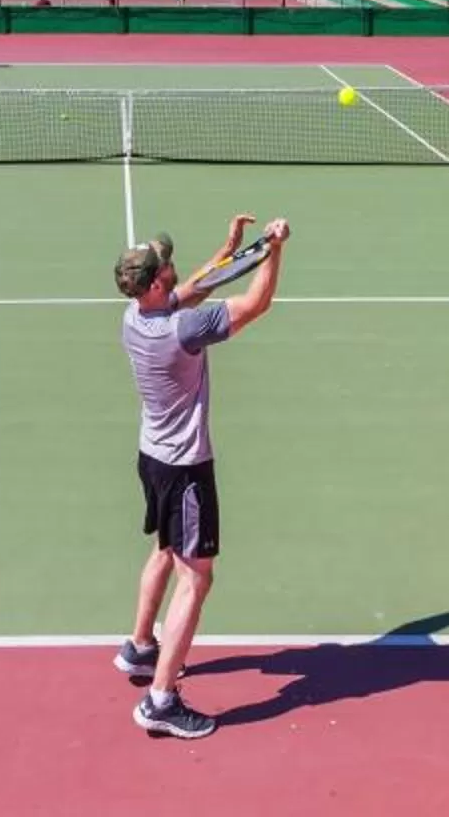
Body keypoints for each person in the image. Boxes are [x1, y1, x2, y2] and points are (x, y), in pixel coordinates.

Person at [113, 213, 291, 739]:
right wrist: (275, 251)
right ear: (156, 283)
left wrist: (232, 249)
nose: (172, 266)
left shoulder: (133, 315)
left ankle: (140, 647)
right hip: (186, 468)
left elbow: (192, 287)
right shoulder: (182, 329)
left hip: (152, 457)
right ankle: (161, 701)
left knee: (166, 549)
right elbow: (255, 306)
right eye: (166, 265)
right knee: (197, 576)